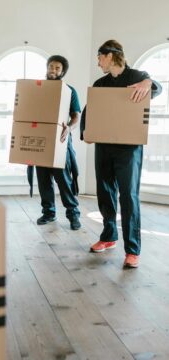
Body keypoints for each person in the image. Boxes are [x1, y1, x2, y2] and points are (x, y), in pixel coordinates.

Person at [81, 40, 162, 268]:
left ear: (109, 56)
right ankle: (108, 237)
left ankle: (132, 250)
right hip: (104, 147)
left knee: (128, 196)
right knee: (104, 193)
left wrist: (148, 83)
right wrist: (85, 132)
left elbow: (158, 88)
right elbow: (90, 110)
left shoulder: (137, 77)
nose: (98, 63)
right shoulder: (100, 83)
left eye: (99, 58)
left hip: (129, 149)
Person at [35, 55, 81, 230]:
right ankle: (49, 213)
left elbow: (76, 116)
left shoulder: (69, 91)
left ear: (62, 72)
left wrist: (69, 128)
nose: (53, 70)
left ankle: (73, 215)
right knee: (43, 180)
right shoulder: (37, 88)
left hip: (60, 141)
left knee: (63, 180)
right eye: (51, 67)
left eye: (57, 68)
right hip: (40, 140)